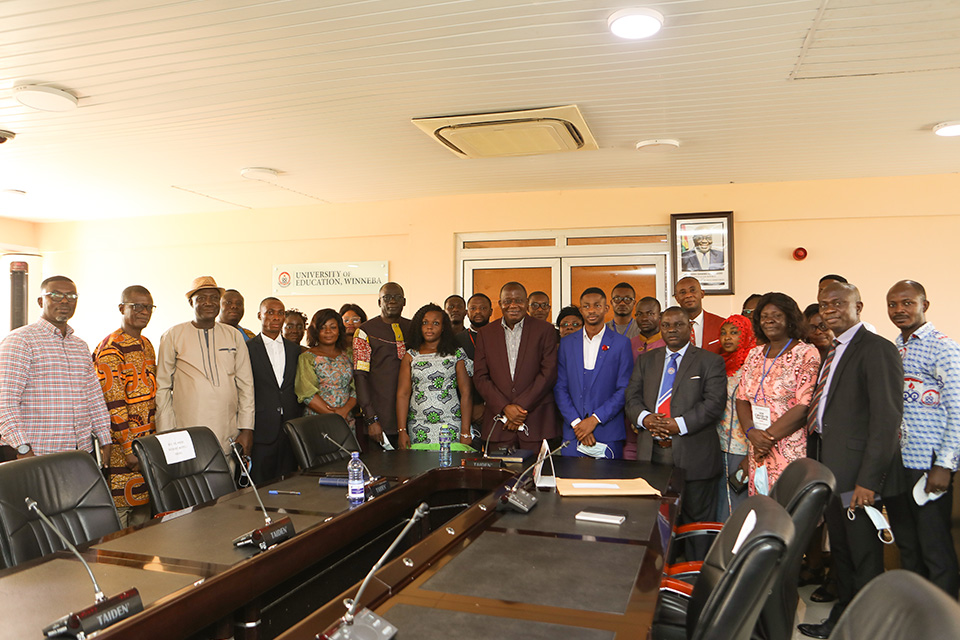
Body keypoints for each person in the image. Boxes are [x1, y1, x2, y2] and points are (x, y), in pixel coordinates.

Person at [797, 282, 902, 639]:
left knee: (863, 554)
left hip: (858, 478)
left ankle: (871, 627)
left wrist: (868, 482)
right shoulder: (833, 350)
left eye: (839, 303)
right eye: (824, 304)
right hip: (831, 469)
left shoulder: (876, 349)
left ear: (859, 305)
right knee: (841, 552)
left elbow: (886, 421)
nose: (829, 309)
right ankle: (843, 620)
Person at [625, 306, 726, 560]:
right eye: (666, 325)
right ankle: (660, 577)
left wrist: (677, 425)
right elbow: (632, 398)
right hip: (653, 454)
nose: (671, 330)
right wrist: (646, 418)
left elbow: (713, 404)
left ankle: (694, 583)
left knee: (695, 524)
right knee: (655, 520)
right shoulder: (647, 360)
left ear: (690, 328)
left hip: (694, 456)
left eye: (678, 325)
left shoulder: (709, 361)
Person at [883, 280, 960, 598]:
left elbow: (957, 410)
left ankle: (944, 616)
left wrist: (945, 464)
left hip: (928, 465)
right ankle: (915, 610)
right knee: (908, 544)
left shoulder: (943, 346)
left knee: (934, 546)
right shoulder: (894, 347)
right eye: (892, 304)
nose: (899, 309)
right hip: (897, 463)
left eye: (907, 303)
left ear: (924, 305)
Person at [0, 276, 111, 459]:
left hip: (80, 451)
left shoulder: (80, 346)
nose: (65, 301)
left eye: (71, 296)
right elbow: (5, 401)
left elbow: (94, 397)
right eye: (56, 295)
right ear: (40, 301)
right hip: (36, 452)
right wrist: (22, 448)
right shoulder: (21, 341)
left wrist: (105, 439)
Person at [156, 276, 255, 458]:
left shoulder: (234, 335)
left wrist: (247, 429)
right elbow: (162, 387)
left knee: (227, 482)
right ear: (190, 303)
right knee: (191, 482)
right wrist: (166, 431)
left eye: (214, 298)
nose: (208, 303)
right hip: (185, 430)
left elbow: (246, 385)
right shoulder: (173, 335)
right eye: (201, 298)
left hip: (227, 429)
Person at [734, 293, 818, 495]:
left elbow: (803, 405)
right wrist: (751, 433)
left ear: (790, 319)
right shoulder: (754, 354)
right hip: (757, 446)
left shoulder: (806, 353)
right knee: (763, 511)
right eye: (764, 316)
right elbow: (741, 398)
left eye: (776, 315)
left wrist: (767, 438)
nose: (769, 320)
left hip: (789, 448)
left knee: (790, 511)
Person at [92, 285, 157, 527]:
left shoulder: (147, 344)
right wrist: (129, 449)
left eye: (148, 307)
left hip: (146, 446)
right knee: (121, 520)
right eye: (136, 306)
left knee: (144, 520)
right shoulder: (111, 348)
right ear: (122, 308)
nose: (144, 311)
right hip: (123, 451)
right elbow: (113, 403)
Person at [474, 282, 558, 451]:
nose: (513, 305)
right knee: (499, 477)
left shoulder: (545, 330)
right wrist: (505, 408)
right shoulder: (486, 333)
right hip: (498, 426)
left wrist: (519, 409)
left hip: (536, 423)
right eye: (507, 301)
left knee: (537, 476)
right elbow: (480, 376)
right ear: (500, 304)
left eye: (518, 300)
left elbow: (548, 373)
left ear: (526, 303)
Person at [555, 288, 633, 458]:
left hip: (608, 433)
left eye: (597, 305)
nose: (591, 310)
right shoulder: (567, 344)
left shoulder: (621, 343)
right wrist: (578, 425)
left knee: (608, 484)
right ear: (581, 310)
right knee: (570, 483)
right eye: (586, 306)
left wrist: (594, 420)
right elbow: (560, 387)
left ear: (606, 308)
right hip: (573, 433)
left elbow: (624, 389)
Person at [396, 304, 472, 448]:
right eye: (425, 323)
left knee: (449, 468)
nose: (429, 327)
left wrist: (466, 431)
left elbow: (466, 393)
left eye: (435, 323)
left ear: (443, 327)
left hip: (450, 424)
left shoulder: (456, 353)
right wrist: (402, 431)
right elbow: (403, 394)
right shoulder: (411, 355)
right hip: (418, 426)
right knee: (419, 468)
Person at [247, 297, 302, 483]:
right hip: (262, 429)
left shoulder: (295, 350)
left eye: (280, 313)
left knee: (290, 483)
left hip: (290, 427)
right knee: (260, 486)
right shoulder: (247, 349)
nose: (276, 317)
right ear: (259, 315)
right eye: (270, 312)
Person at [353, 283, 411, 449]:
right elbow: (360, 376)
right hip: (380, 419)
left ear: (404, 302)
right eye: (386, 297)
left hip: (413, 418)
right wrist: (371, 419)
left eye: (397, 297)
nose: (392, 301)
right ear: (379, 302)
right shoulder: (364, 331)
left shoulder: (413, 328)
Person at [716, 313, 756, 521]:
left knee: (739, 504)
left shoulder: (753, 367)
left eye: (734, 332)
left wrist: (752, 454)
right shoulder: (721, 365)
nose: (727, 337)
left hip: (743, 447)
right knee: (723, 502)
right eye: (723, 333)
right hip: (720, 445)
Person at [296, 309, 357, 438]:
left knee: (348, 457)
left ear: (340, 330)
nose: (328, 332)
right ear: (315, 331)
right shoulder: (307, 357)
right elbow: (307, 393)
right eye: (322, 328)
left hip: (346, 419)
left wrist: (344, 411)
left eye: (333, 327)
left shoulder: (349, 355)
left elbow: (357, 387)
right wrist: (335, 416)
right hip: (317, 420)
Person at [456, 293, 493, 437]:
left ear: (491, 311)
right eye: (473, 308)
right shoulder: (457, 340)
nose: (478, 311)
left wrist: (486, 406)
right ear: (467, 312)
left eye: (483, 308)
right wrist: (471, 407)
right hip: (467, 411)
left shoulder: (501, 336)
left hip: (495, 408)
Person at [673, 277, 723, 353]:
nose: (688, 295)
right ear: (677, 299)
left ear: (702, 294)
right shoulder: (669, 327)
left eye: (692, 290)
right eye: (683, 292)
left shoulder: (721, 324)